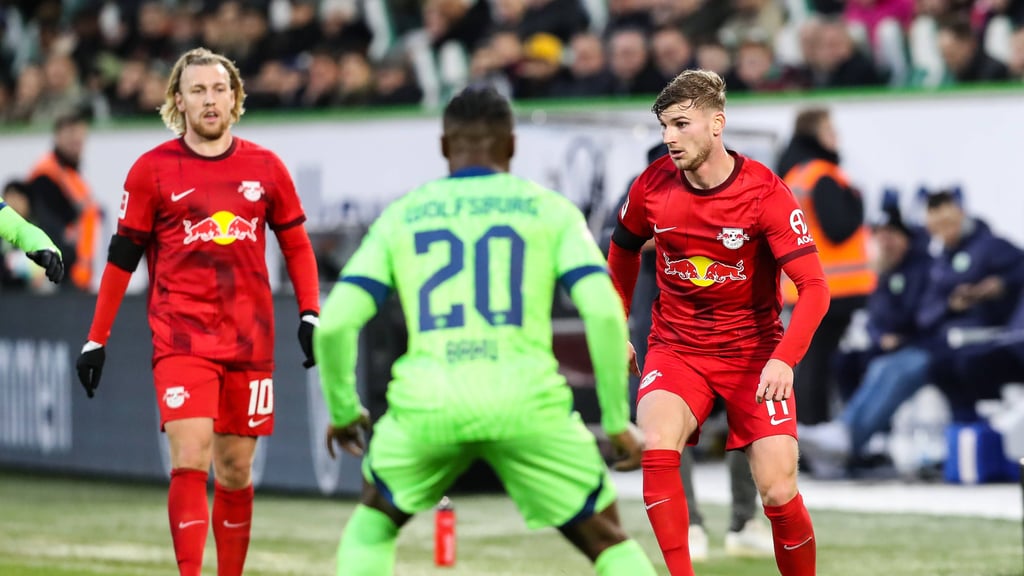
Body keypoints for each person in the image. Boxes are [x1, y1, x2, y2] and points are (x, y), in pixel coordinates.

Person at [314, 86, 656, 576]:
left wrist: (346, 412)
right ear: (512, 147)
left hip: (428, 404)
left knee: (372, 526)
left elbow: (335, 326)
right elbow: (603, 313)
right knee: (607, 540)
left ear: (443, 146)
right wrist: (617, 420)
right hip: (528, 404)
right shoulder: (550, 210)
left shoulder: (402, 216)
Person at [74, 47, 321, 576]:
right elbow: (121, 259)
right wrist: (97, 338)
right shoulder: (152, 172)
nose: (210, 100)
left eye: (218, 90)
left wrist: (310, 313)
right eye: (198, 91)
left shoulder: (266, 168)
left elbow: (297, 246)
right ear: (178, 102)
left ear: (234, 99)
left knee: (235, 469)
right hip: (181, 337)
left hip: (250, 339)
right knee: (192, 454)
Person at [607, 69, 829, 576]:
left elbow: (815, 288)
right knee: (657, 443)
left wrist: (783, 359)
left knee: (777, 488)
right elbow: (619, 253)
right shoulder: (650, 186)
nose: (669, 137)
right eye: (664, 126)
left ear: (716, 124)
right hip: (677, 348)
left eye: (681, 124)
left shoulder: (765, 193)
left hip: (754, 353)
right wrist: (616, 324)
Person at [600, 142, 773, 561]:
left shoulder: (732, 186)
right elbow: (617, 243)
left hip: (734, 326)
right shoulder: (643, 187)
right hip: (664, 325)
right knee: (670, 429)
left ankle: (743, 520)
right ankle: (690, 521)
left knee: (747, 420)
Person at [798, 202, 933, 475]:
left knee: (889, 368)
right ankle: (852, 443)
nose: (885, 241)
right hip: (893, 349)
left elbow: (926, 315)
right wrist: (881, 336)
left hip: (924, 347)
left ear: (905, 238)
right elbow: (875, 319)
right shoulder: (884, 273)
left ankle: (846, 439)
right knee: (846, 362)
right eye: (880, 235)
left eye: (891, 235)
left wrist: (898, 337)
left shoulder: (924, 270)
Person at [778, 107, 875, 425]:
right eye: (829, 130)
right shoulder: (822, 175)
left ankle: (807, 428)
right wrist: (857, 201)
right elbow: (838, 228)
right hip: (833, 289)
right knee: (819, 365)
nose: (837, 137)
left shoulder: (795, 174)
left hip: (805, 287)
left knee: (811, 362)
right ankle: (814, 428)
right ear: (813, 134)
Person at [27, 109, 100, 291]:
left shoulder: (71, 175)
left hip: (78, 272)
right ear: (58, 137)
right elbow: (47, 225)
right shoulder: (46, 175)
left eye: (79, 136)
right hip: (61, 274)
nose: (75, 141)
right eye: (70, 135)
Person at [0, 179, 64, 285]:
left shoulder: (44, 223)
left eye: (17, 198)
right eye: (10, 197)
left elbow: (16, 228)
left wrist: (44, 247)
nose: (14, 203)